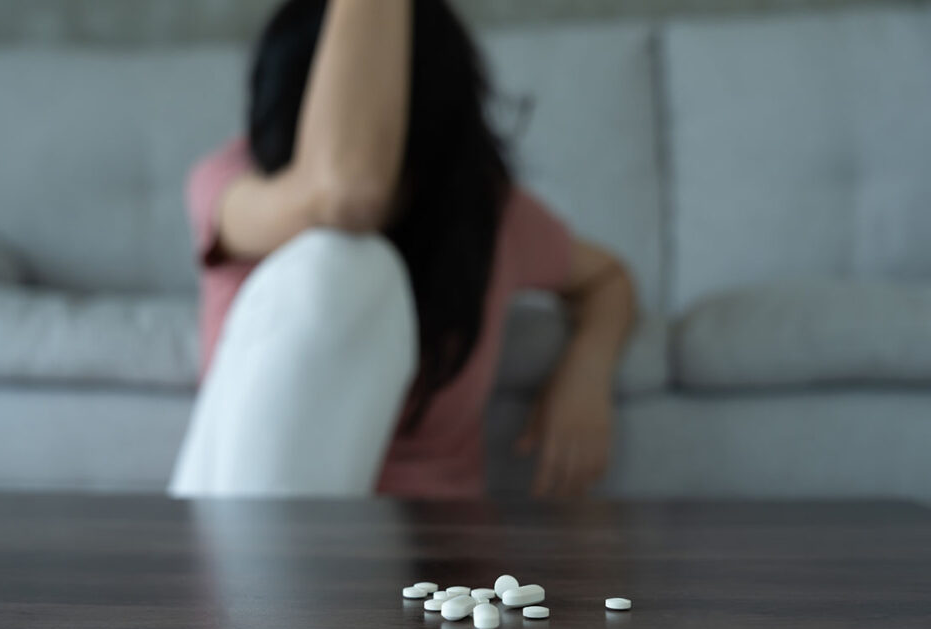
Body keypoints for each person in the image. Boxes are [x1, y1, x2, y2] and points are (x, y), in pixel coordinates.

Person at [169, 0, 635, 500]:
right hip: (274, 537)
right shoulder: (231, 185)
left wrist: (587, 370)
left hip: (432, 552)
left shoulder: (487, 215)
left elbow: (608, 278)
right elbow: (344, 193)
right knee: (351, 265)